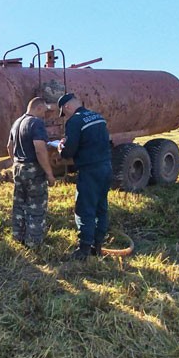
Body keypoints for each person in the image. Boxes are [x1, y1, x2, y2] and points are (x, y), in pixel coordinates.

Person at [57, 93, 112, 260]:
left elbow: (69, 150)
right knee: (100, 206)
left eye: (63, 113)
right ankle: (98, 245)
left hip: (90, 170)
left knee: (84, 208)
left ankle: (83, 250)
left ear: (67, 107)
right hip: (106, 166)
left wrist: (61, 148)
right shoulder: (98, 116)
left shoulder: (75, 121)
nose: (65, 116)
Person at [6, 97, 56, 248]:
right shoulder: (36, 123)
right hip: (33, 169)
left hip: (18, 168)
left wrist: (16, 161)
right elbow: (40, 150)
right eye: (44, 112)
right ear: (39, 108)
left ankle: (18, 236)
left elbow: (9, 146)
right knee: (36, 206)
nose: (45, 115)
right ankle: (33, 242)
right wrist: (49, 174)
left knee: (20, 203)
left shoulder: (16, 123)